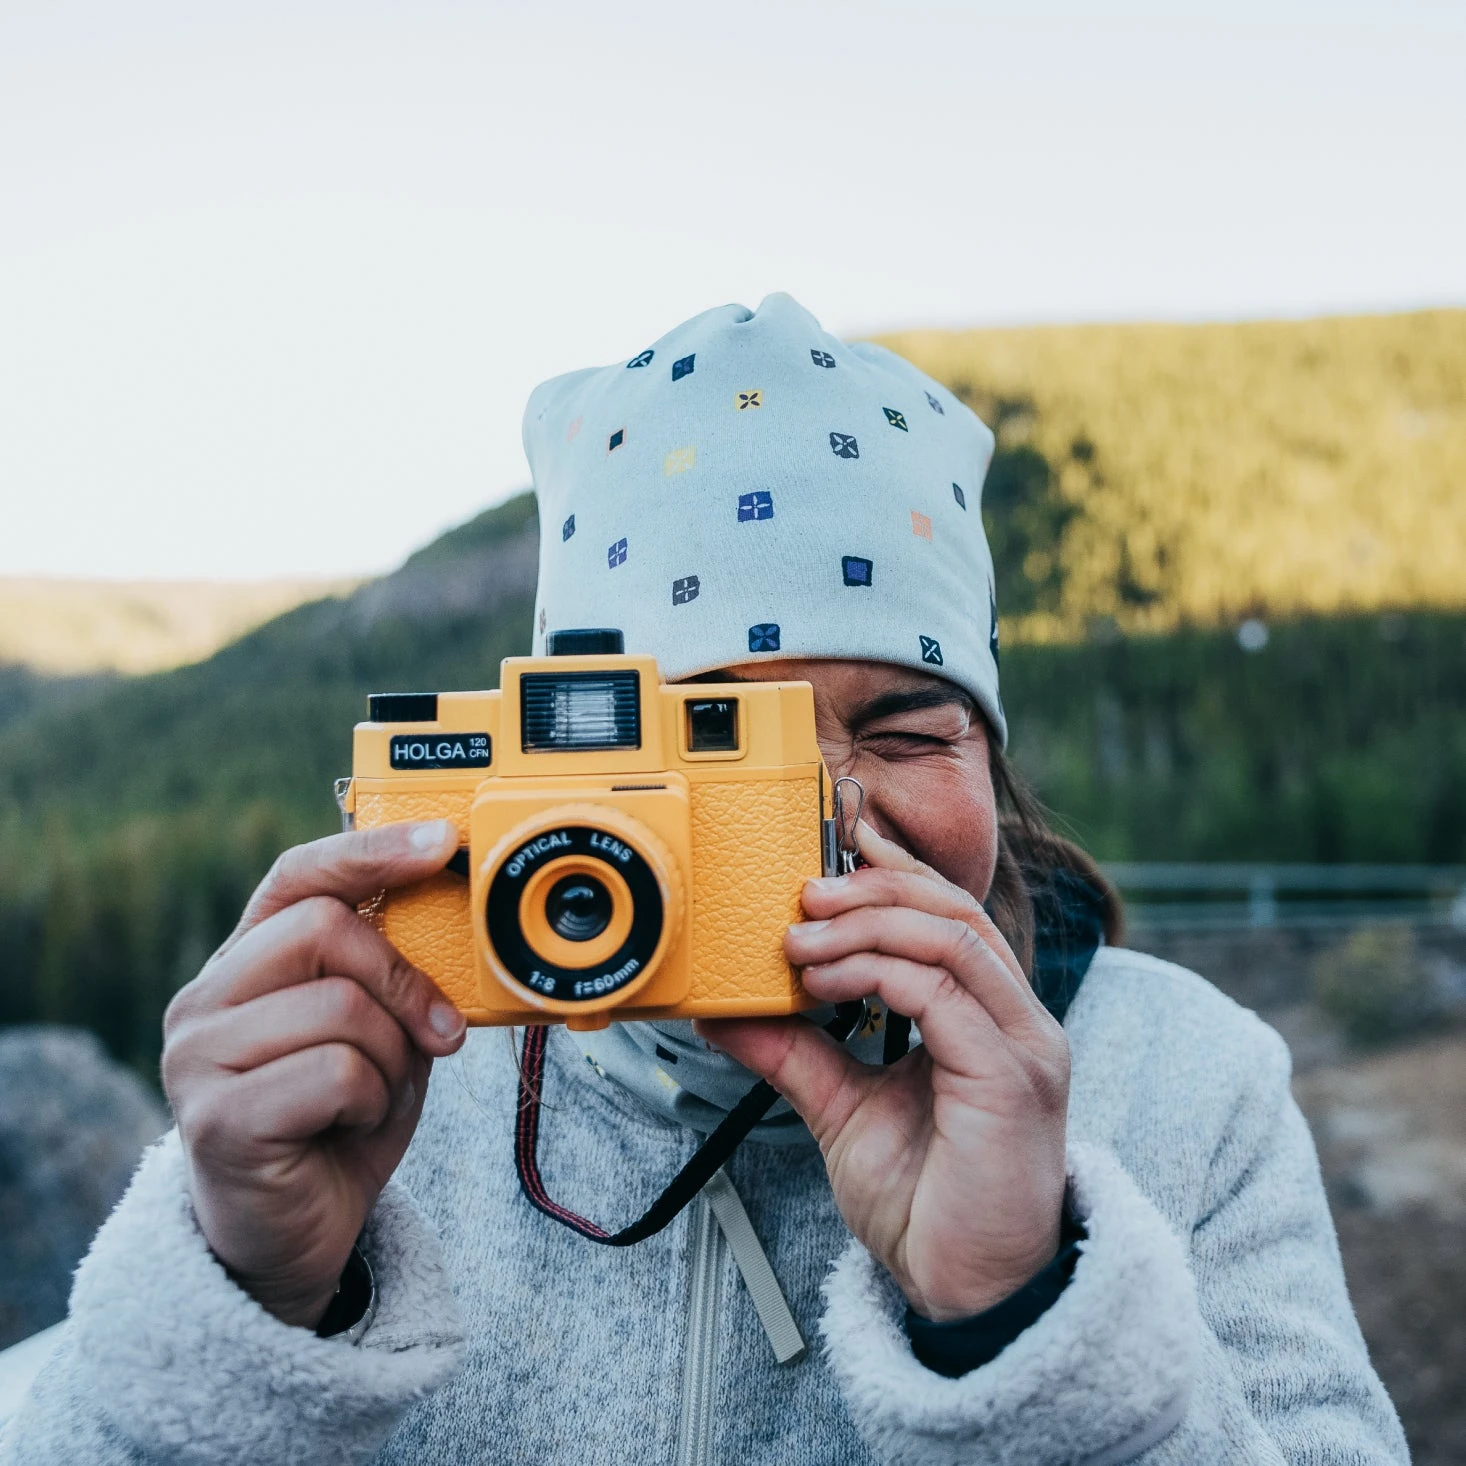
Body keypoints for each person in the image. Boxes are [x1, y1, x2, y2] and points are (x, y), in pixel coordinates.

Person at [1, 294, 1407, 1464]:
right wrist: (248, 1287)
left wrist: (1024, 1310)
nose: (829, 809)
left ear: (994, 759)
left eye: (905, 729)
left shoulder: (1183, 1083)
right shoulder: (388, 1077)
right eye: (725, 742)